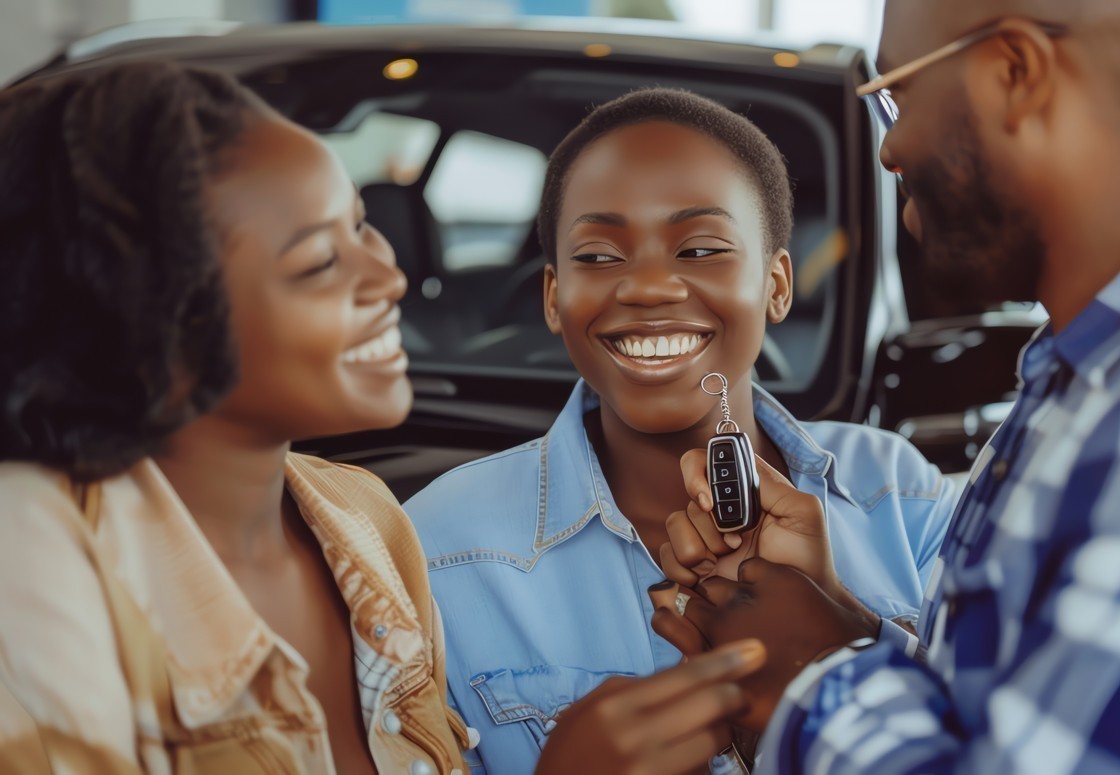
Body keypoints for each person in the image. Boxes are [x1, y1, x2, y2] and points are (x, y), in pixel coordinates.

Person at [654, 0, 1120, 772]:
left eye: (896, 95)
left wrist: (812, 679)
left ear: (1014, 72)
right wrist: (844, 635)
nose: (890, 148)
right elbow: (1025, 721)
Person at [0, 62, 762, 775]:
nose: (390, 274)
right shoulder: (37, 573)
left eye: (360, 225)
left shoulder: (364, 521)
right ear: (155, 323)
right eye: (319, 263)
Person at [404, 87, 958, 773]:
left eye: (699, 248)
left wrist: (841, 633)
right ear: (554, 297)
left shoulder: (900, 499)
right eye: (600, 257)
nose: (648, 288)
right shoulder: (432, 550)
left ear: (776, 285)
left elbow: (1013, 742)